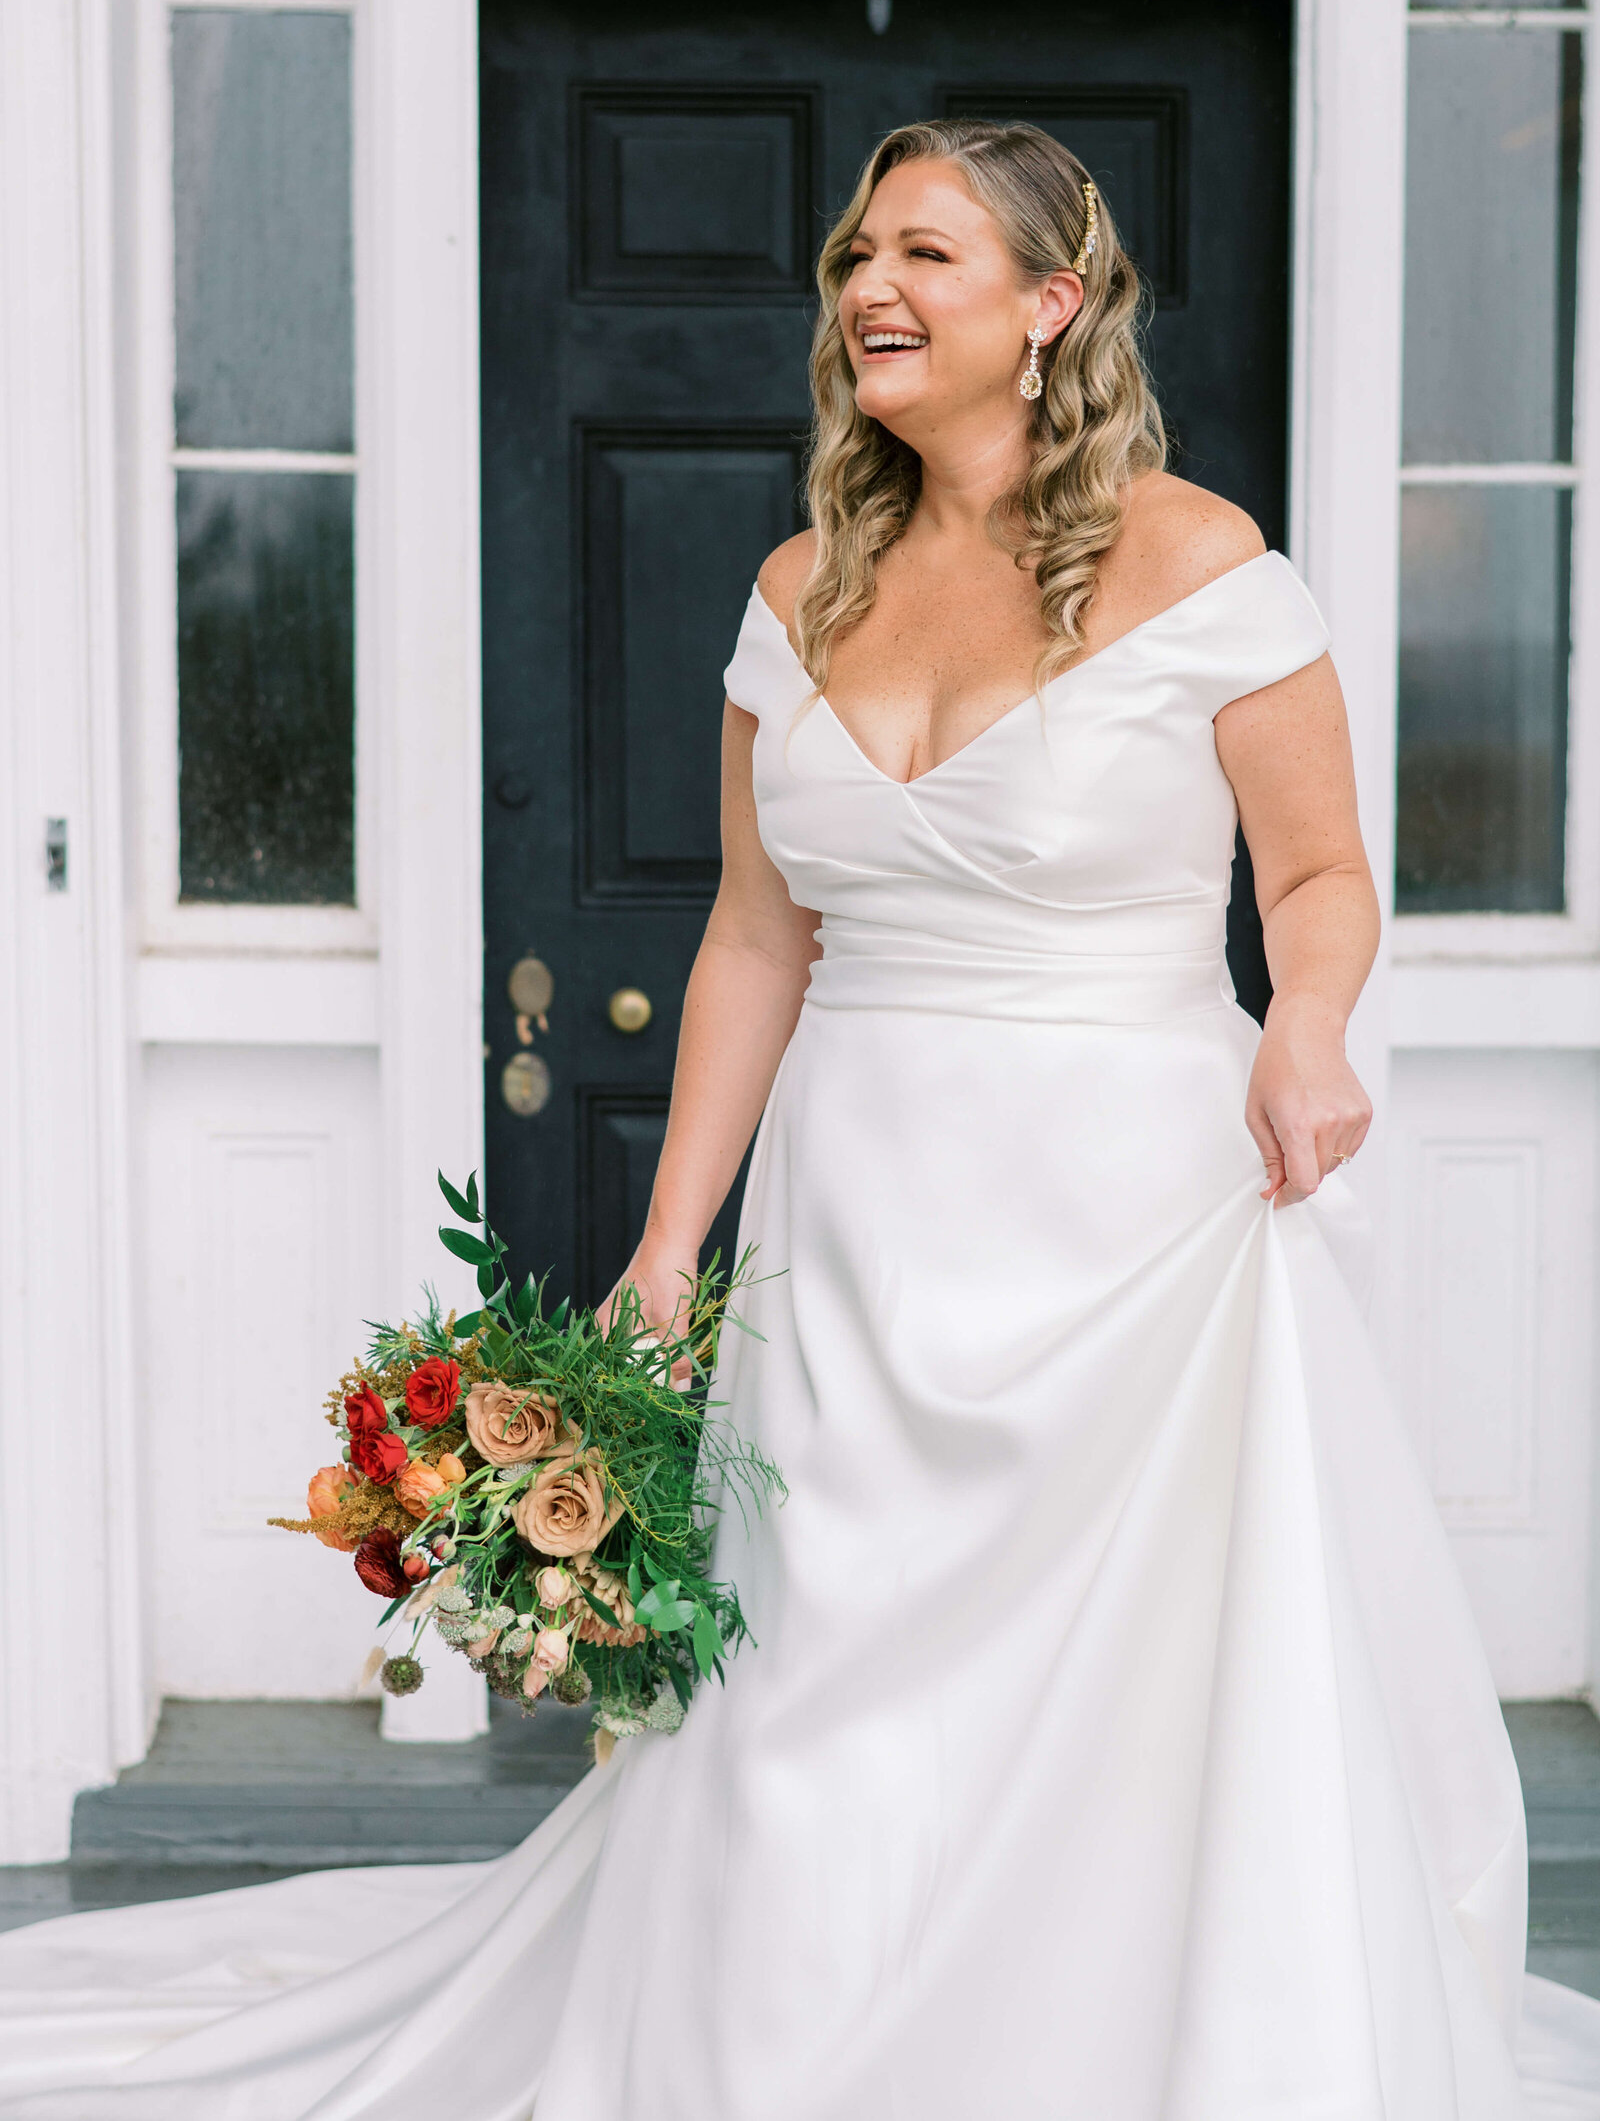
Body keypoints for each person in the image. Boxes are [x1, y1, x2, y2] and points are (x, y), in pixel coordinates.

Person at [5, 119, 1600, 2118]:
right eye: (857, 250)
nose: (870, 287)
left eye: (926, 252)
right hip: (856, 1227)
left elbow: (1317, 876)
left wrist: (1312, 1026)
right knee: (812, 1685)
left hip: (1128, 1229)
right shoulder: (800, 586)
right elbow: (755, 943)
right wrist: (671, 1243)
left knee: (1118, 1696)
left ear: (1049, 305)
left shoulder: (1209, 568)